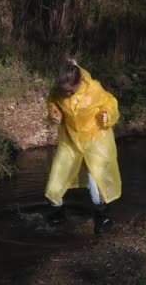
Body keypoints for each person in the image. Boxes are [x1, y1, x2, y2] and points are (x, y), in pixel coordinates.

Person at [44, 58, 122, 235]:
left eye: (71, 92)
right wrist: (54, 113)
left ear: (79, 82)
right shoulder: (59, 91)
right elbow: (52, 101)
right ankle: (57, 215)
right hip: (71, 141)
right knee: (56, 179)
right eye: (64, 92)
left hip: (96, 141)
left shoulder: (94, 90)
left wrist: (107, 115)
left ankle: (103, 217)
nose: (67, 95)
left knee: (96, 181)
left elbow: (111, 103)